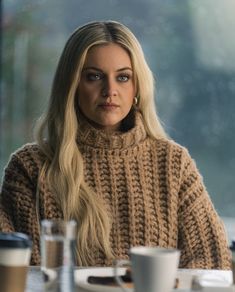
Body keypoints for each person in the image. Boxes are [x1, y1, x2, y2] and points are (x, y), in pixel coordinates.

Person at [0, 20, 231, 269]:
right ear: (72, 85)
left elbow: (212, 262)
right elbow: (29, 274)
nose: (110, 90)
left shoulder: (173, 163)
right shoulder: (31, 167)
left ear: (137, 87)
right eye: (94, 76)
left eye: (123, 77)